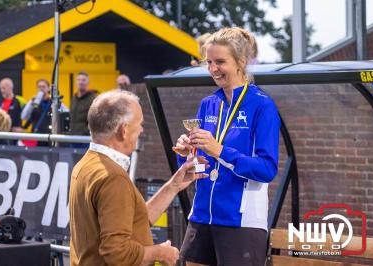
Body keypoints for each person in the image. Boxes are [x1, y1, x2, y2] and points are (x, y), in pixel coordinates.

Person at [173, 27, 281, 266]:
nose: (213, 69)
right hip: (201, 216)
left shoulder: (262, 106)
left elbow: (266, 169)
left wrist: (220, 150)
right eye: (209, 62)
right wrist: (187, 156)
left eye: (220, 62)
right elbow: (199, 169)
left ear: (241, 62)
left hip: (240, 221)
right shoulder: (208, 104)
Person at [69, 90, 208, 266]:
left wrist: (173, 185)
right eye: (140, 124)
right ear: (123, 130)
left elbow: (133, 221)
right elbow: (117, 252)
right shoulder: (112, 178)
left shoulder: (86, 165)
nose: (142, 130)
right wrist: (160, 253)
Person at [70, 71, 97, 136]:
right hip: (72, 136)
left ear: (88, 82)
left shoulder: (94, 98)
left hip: (86, 138)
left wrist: (86, 131)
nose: (81, 82)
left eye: (83, 80)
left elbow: (96, 119)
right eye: (78, 80)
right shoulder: (74, 98)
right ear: (76, 82)